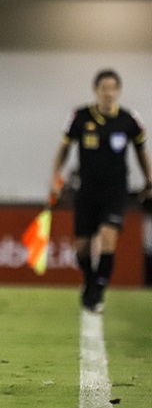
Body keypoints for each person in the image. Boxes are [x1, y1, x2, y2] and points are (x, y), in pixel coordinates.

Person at [51, 69, 152, 313]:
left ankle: (98, 290)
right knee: (82, 248)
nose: (108, 93)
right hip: (86, 192)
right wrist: (56, 176)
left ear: (118, 91)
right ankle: (90, 280)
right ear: (96, 90)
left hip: (116, 192)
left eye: (112, 88)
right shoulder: (80, 116)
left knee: (108, 240)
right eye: (104, 88)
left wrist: (149, 179)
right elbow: (64, 148)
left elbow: (141, 152)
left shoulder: (129, 119)